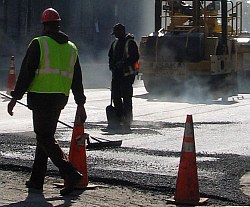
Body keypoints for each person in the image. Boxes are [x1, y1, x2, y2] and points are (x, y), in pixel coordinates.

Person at [7, 8, 87, 196]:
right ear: (58, 24)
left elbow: (26, 73)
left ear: (44, 25)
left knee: (44, 137)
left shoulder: (39, 43)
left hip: (41, 96)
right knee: (44, 137)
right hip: (60, 98)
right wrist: (80, 102)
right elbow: (77, 78)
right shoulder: (71, 47)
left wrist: (14, 98)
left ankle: (71, 173)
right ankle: (36, 181)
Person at [108, 23, 139, 131]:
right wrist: (112, 66)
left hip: (127, 75)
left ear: (122, 32)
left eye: (116, 33)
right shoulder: (115, 43)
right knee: (116, 96)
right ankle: (118, 118)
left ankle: (127, 120)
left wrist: (123, 63)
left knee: (126, 98)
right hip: (116, 75)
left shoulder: (130, 43)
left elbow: (135, 57)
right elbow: (110, 56)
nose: (115, 35)